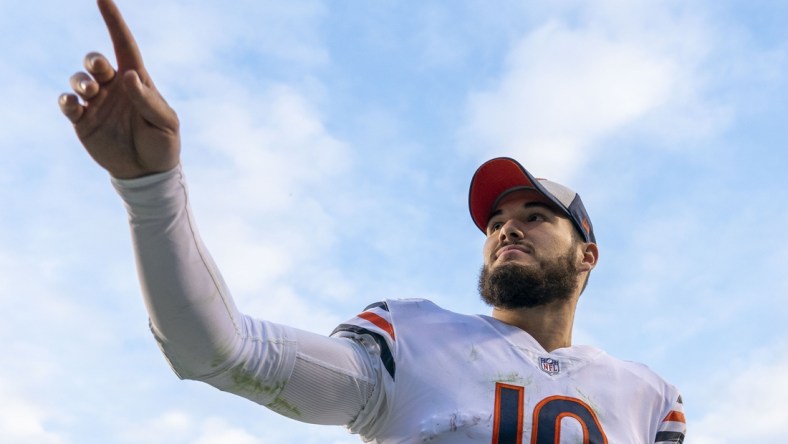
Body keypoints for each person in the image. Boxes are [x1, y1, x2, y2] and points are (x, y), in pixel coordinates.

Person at [59, 1, 687, 443]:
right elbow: (220, 350)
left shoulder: (647, 396)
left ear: (588, 256)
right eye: (495, 219)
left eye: (536, 215)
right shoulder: (413, 340)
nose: (505, 228)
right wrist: (150, 190)